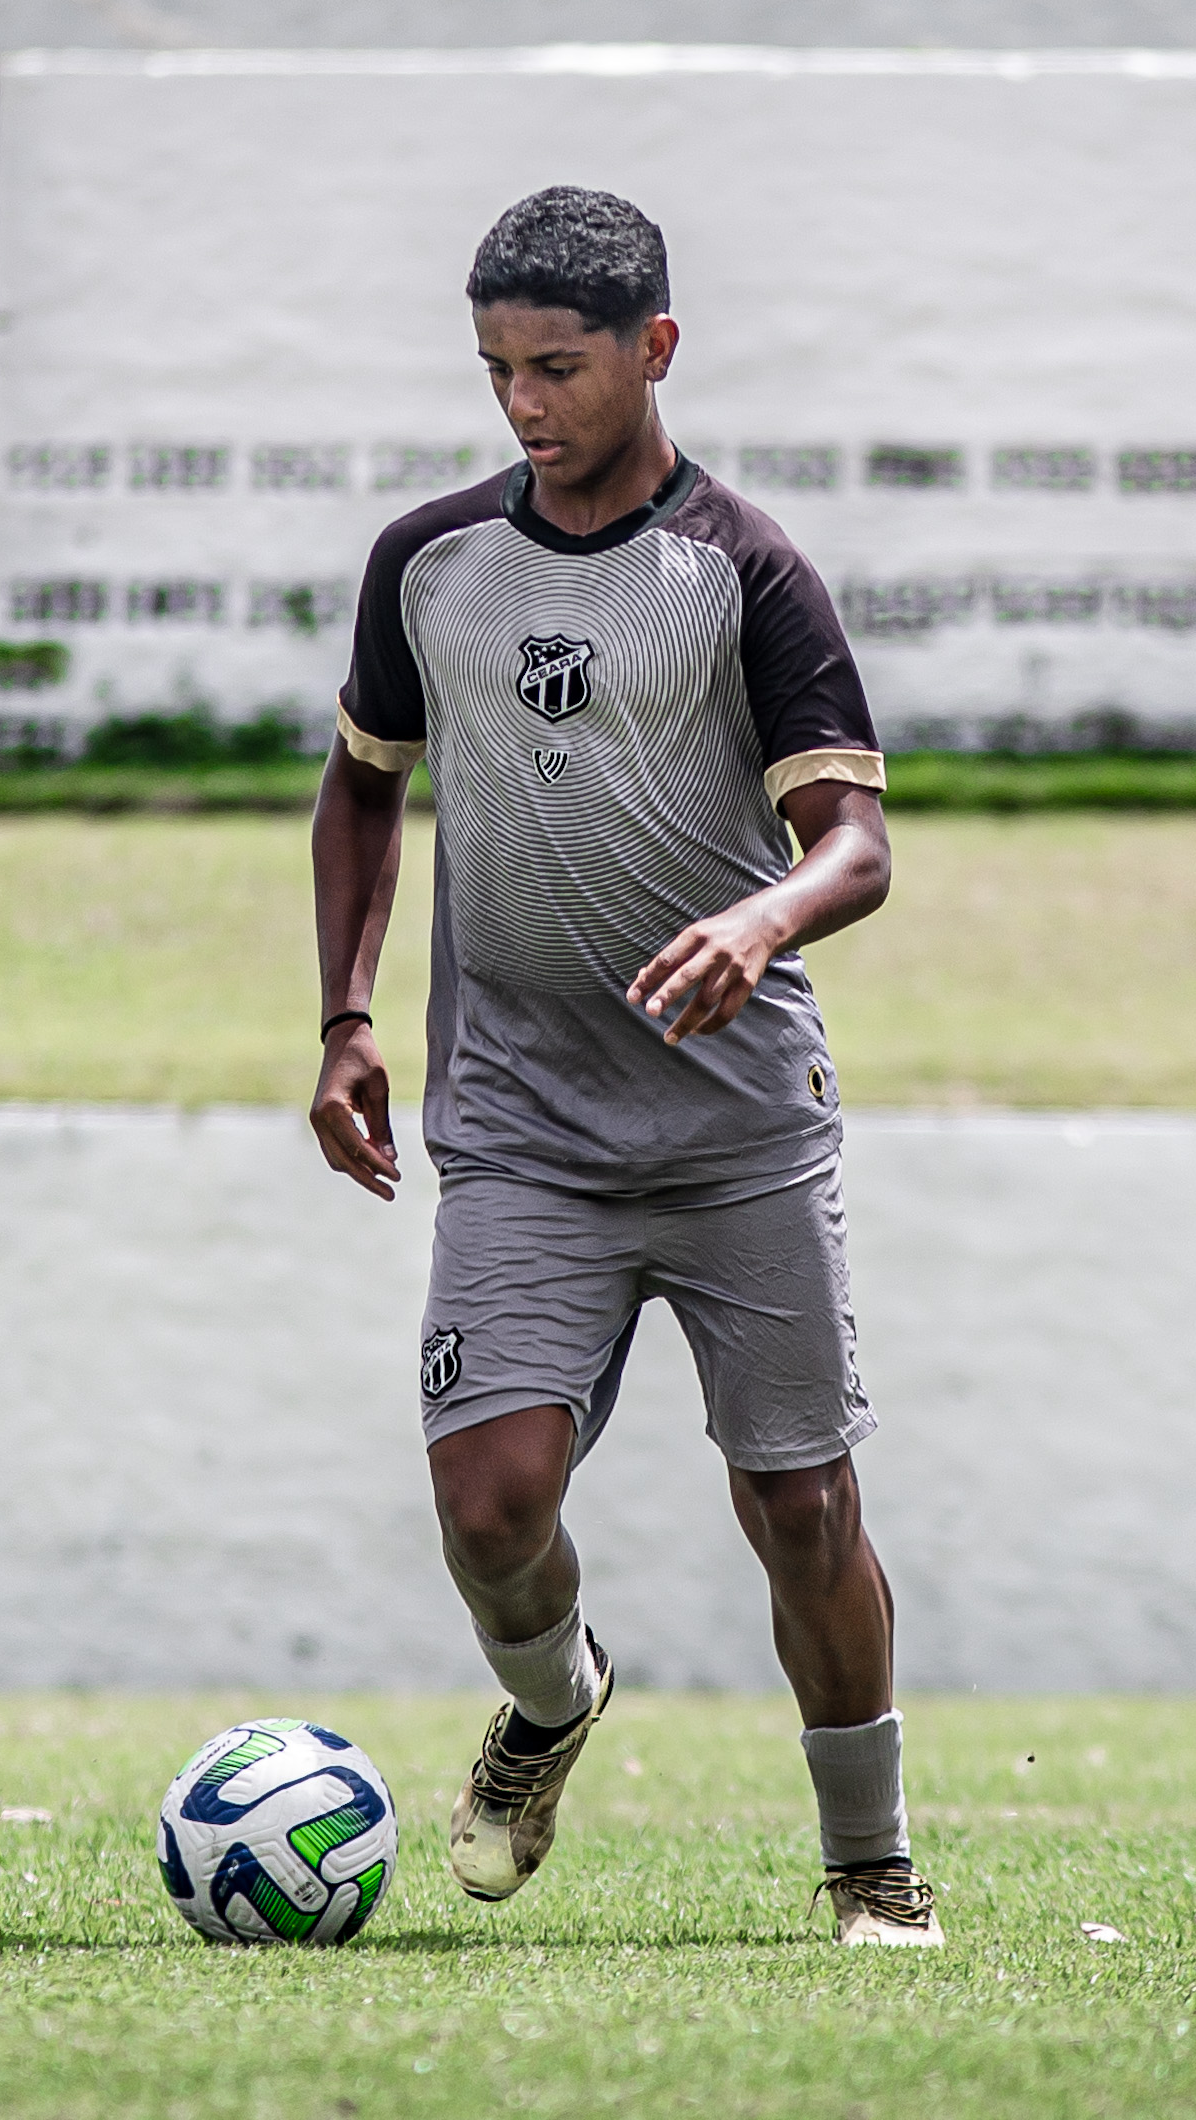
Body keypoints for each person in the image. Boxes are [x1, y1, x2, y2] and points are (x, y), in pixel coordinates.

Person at [304, 185, 938, 1947]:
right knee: (488, 1500)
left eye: (559, 367)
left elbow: (858, 843)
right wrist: (347, 1016)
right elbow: (362, 784)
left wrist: (765, 924)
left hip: (736, 1129)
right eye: (497, 366)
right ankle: (555, 1696)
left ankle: (868, 1863)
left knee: (800, 1503)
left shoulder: (742, 570)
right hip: (517, 1122)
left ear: (654, 349)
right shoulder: (428, 563)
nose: (523, 403)